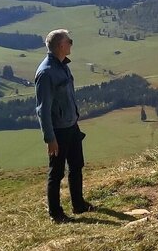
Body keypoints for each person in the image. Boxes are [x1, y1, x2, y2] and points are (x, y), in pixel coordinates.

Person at [35, 29, 95, 222]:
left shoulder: (62, 66)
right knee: (57, 173)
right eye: (70, 41)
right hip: (59, 131)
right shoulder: (46, 73)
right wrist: (50, 138)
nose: (71, 44)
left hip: (71, 126)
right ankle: (56, 213)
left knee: (76, 166)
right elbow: (42, 110)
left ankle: (79, 204)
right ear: (61, 45)